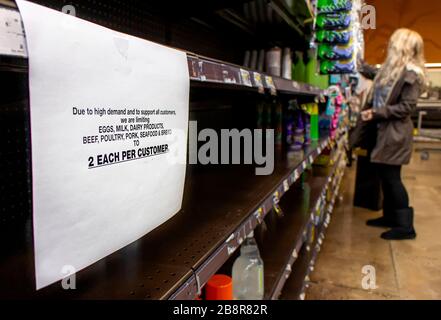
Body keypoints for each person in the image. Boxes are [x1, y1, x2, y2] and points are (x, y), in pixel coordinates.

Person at [353, 28, 426, 240]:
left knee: (393, 179)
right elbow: (380, 78)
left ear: (401, 47)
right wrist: (359, 64)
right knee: (385, 176)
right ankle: (390, 217)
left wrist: (376, 113)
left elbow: (406, 107)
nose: (389, 46)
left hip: (395, 135)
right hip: (385, 133)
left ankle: (405, 227)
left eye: (392, 43)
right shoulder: (396, 70)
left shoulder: (411, 74)